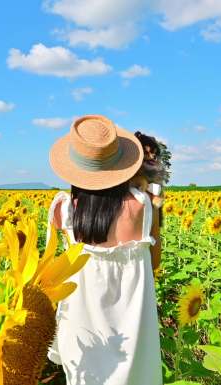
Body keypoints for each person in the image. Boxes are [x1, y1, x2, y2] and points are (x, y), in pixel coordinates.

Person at [46, 115, 162, 385]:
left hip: (80, 323)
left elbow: (54, 271)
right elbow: (154, 263)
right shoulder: (144, 205)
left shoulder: (62, 210)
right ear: (121, 164)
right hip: (132, 324)